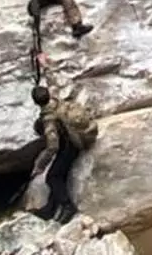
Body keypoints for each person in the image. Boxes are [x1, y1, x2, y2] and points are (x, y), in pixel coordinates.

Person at [27, 85, 98, 224]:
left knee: (52, 177)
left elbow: (53, 146)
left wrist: (39, 165)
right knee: (58, 172)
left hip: (72, 145)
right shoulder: (58, 102)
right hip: (74, 137)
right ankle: (51, 207)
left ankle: (67, 206)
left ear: (36, 102)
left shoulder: (49, 119)